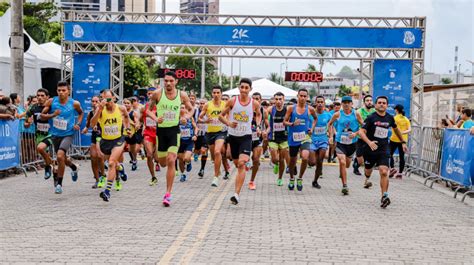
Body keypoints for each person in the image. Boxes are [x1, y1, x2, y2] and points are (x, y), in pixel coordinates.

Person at [147, 71, 194, 207]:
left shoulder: (182, 95)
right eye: (166, 81)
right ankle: (164, 166)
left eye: (171, 81)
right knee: (162, 163)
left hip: (174, 131)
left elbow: (191, 109)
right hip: (161, 132)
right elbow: (149, 110)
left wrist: (186, 117)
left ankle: (168, 194)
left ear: (176, 82)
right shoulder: (157, 94)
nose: (168, 83)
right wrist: (156, 118)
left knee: (171, 159)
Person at [358, 96, 408, 208]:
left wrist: (403, 142)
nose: (381, 104)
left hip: (384, 149)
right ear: (375, 105)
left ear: (387, 105)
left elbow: (396, 130)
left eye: (384, 103)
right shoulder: (371, 117)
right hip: (370, 149)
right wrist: (369, 142)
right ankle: (367, 177)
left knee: (384, 171)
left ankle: (384, 196)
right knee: (368, 171)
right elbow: (361, 132)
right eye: (379, 102)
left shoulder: (390, 118)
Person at [218, 78, 261, 205]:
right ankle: (245, 161)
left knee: (241, 164)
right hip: (233, 137)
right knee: (237, 164)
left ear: (250, 90)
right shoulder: (232, 101)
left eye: (246, 88)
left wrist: (257, 126)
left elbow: (258, 115)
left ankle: (236, 194)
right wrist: (229, 123)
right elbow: (220, 116)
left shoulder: (254, 103)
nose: (243, 90)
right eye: (241, 87)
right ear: (239, 88)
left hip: (246, 137)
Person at [40, 81, 83, 194]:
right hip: (55, 134)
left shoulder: (74, 103)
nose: (61, 92)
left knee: (59, 156)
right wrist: (53, 115)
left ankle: (59, 184)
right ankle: (73, 167)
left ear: (68, 91)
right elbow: (42, 116)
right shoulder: (51, 101)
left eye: (64, 90)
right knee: (62, 159)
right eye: (59, 90)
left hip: (68, 133)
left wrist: (78, 124)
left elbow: (81, 113)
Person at [90, 90, 131, 201]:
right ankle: (121, 168)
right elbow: (92, 124)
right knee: (114, 164)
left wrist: (127, 128)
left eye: (108, 98)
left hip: (118, 139)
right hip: (105, 141)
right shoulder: (100, 110)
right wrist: (99, 109)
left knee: (111, 163)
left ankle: (107, 191)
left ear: (113, 98)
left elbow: (127, 117)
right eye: (104, 99)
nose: (107, 101)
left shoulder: (121, 108)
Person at [327, 96, 364, 195]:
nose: (346, 104)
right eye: (344, 103)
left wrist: (356, 134)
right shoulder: (337, 114)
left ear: (352, 104)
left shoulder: (356, 114)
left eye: (348, 102)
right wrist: (331, 136)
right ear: (342, 104)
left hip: (352, 144)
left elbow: (363, 126)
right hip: (340, 143)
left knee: (347, 165)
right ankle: (345, 185)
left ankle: (342, 172)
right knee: (342, 162)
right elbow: (329, 124)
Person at [283, 88, 317, 191]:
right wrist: (292, 124)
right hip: (293, 137)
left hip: (305, 137)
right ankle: (292, 178)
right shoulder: (290, 108)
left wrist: (312, 128)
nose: (302, 98)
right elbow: (284, 122)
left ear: (307, 97)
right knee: (292, 160)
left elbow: (315, 119)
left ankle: (300, 178)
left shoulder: (310, 109)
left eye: (304, 96)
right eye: (301, 96)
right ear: (297, 96)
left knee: (305, 157)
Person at [199, 85, 228, 187]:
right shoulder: (207, 105)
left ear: (221, 94)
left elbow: (230, 116)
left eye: (218, 93)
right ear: (212, 94)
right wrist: (205, 121)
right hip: (210, 133)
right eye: (214, 93)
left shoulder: (225, 104)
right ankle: (218, 169)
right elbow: (200, 118)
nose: (216, 95)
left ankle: (215, 177)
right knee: (213, 156)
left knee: (217, 151)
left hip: (221, 132)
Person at [81, 95, 106, 188]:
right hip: (95, 137)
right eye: (93, 101)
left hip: (104, 137)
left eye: (96, 101)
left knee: (100, 157)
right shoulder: (90, 113)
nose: (94, 103)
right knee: (93, 157)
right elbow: (88, 124)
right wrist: (86, 128)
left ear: (100, 102)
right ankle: (97, 179)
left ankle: (103, 174)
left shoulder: (104, 112)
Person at [308, 95, 332, 189]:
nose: (320, 104)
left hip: (323, 141)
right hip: (312, 141)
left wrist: (330, 136)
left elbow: (330, 126)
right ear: (315, 103)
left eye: (322, 102)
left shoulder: (328, 115)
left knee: (320, 161)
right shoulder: (311, 115)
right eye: (318, 102)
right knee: (312, 163)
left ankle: (315, 181)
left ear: (324, 104)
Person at [267, 92, 289, 186]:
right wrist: (265, 128)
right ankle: (275, 164)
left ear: (284, 99)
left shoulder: (287, 109)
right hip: (273, 137)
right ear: (274, 100)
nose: (278, 101)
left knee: (281, 159)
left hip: (284, 138)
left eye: (280, 99)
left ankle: (280, 178)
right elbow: (263, 117)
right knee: (275, 159)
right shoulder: (271, 109)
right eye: (276, 99)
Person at [248, 92, 269, 190]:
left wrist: (265, 131)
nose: (256, 100)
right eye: (254, 98)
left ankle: (252, 181)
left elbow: (268, 126)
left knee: (256, 160)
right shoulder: (247, 109)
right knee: (244, 160)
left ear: (260, 100)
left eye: (258, 98)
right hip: (246, 137)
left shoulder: (263, 111)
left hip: (258, 138)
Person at [142, 87, 160, 186]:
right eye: (148, 94)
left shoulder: (160, 106)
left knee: (158, 158)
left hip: (159, 133)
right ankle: (153, 177)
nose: (150, 95)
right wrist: (137, 124)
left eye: (152, 94)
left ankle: (157, 162)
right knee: (149, 155)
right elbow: (140, 118)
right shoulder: (144, 107)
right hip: (148, 133)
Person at [353, 95, 375, 176]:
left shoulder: (374, 111)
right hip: (361, 137)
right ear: (364, 102)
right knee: (360, 158)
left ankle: (357, 167)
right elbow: (363, 123)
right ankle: (356, 163)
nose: (369, 102)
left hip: (370, 138)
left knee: (367, 155)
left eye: (370, 100)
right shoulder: (359, 111)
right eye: (367, 100)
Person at [389, 104, 411, 178]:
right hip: (403, 140)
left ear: (396, 110)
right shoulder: (406, 119)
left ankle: (392, 168)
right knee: (402, 157)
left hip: (394, 139)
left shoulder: (394, 118)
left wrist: (399, 133)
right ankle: (400, 174)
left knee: (389, 154)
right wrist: (403, 132)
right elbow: (409, 129)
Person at [178, 104, 198, 182]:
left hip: (189, 141)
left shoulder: (190, 118)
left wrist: (195, 135)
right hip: (180, 142)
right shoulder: (176, 119)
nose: (182, 109)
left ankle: (188, 162)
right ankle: (182, 174)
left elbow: (196, 127)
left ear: (186, 109)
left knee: (186, 158)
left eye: (183, 108)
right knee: (180, 159)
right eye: (180, 108)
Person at [123, 98, 141, 171]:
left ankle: (134, 161)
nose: (126, 104)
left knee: (132, 150)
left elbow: (137, 123)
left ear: (131, 104)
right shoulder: (121, 112)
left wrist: (135, 124)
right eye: (125, 103)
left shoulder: (133, 113)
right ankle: (118, 164)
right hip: (123, 134)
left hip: (131, 134)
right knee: (120, 149)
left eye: (128, 103)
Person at [194, 99, 209, 178]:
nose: (202, 105)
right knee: (196, 151)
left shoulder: (209, 111)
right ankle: (196, 154)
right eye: (201, 103)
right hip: (197, 134)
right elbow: (193, 121)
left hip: (206, 134)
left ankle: (202, 169)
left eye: (203, 103)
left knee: (204, 150)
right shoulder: (195, 111)